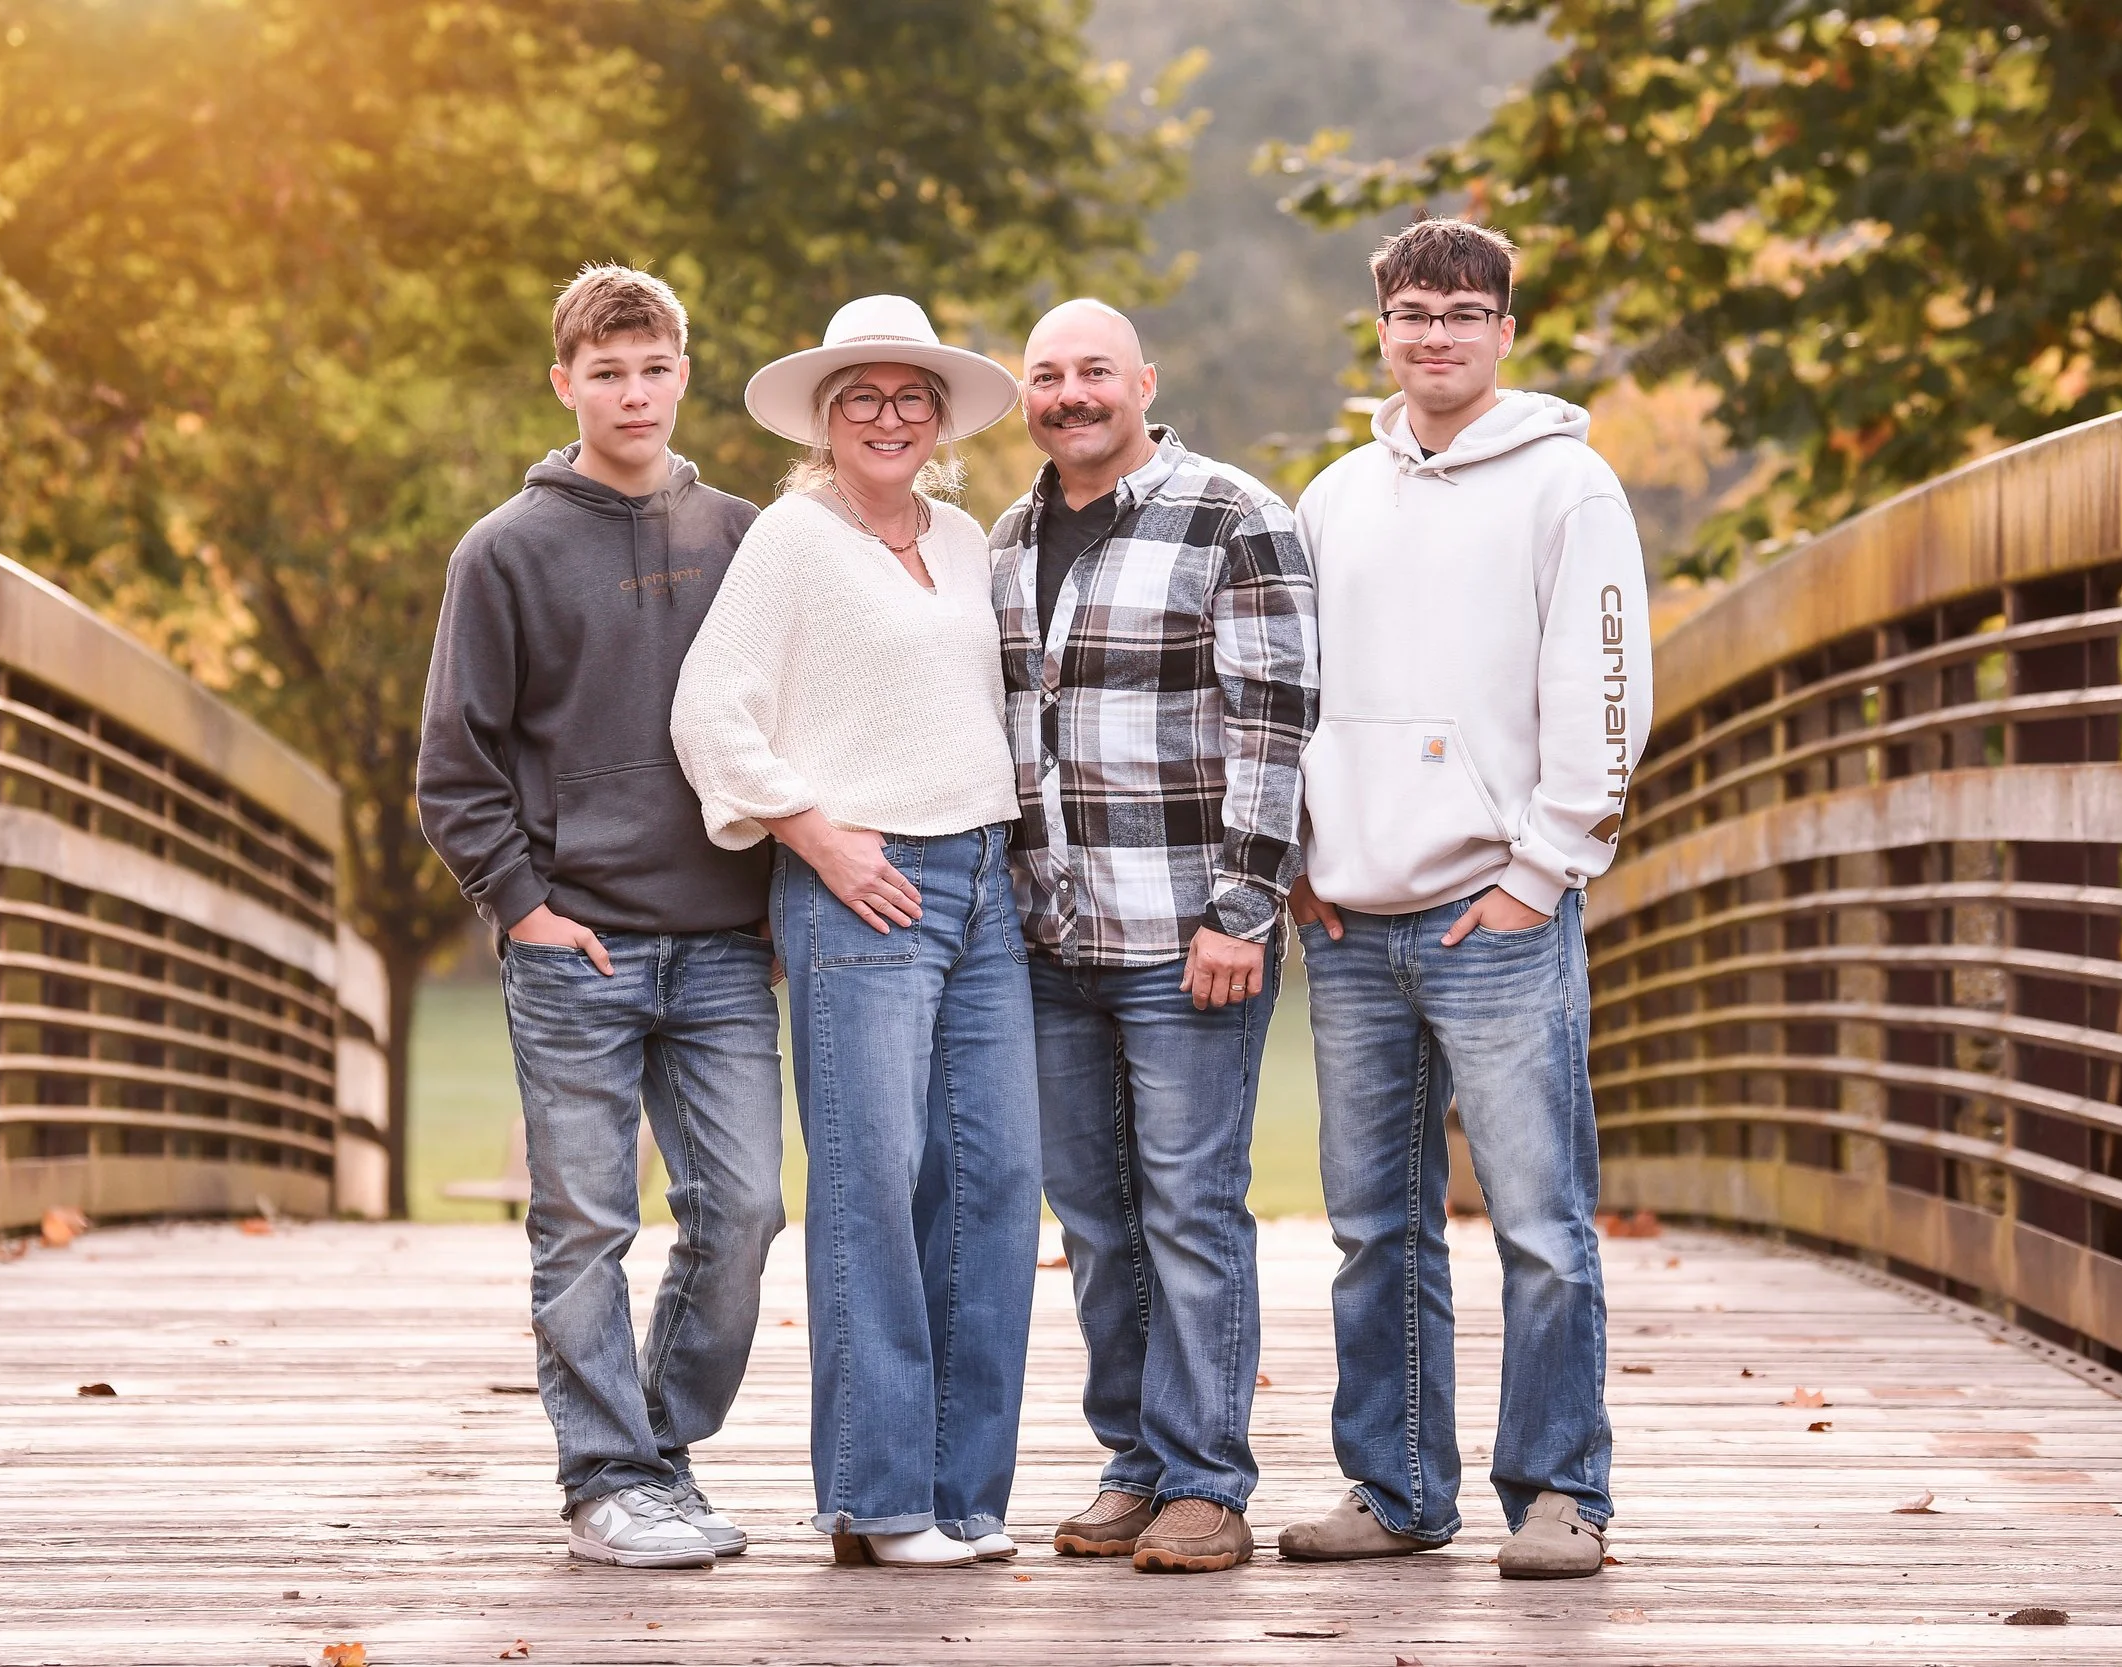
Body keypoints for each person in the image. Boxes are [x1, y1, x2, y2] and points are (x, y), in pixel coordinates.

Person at [1276, 217, 1651, 1580]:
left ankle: (1560, 1492)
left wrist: (1542, 869)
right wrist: (1302, 862)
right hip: (1357, 921)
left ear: (1505, 330)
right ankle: (1395, 1487)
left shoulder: (1570, 486)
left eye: (1462, 312)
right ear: (1380, 327)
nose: (1435, 334)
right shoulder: (1331, 496)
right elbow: (1292, 694)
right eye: (1412, 312)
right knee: (1375, 1226)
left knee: (1542, 1223)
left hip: (1500, 914)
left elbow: (1606, 696)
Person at [416, 265, 783, 1570]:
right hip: (580, 940)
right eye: (607, 370)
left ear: (685, 372)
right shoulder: (504, 551)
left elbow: (788, 722)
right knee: (586, 1221)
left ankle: (658, 1452)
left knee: (742, 1209)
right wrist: (521, 907)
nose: (634, 391)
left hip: (728, 940)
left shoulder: (745, 534)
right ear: (564, 381)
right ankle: (606, 1478)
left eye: (656, 366)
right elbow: (453, 763)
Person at [670, 294, 1040, 1570]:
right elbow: (711, 714)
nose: (889, 417)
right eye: (862, 398)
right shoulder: (790, 538)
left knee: (991, 1183)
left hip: (986, 883)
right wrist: (812, 832)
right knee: (872, 1187)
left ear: (939, 420)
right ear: (826, 420)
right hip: (862, 885)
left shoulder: (964, 535)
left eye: (911, 397)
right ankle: (879, 1500)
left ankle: (964, 1494)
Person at [987, 299, 1317, 1574]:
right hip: (1050, 938)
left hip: (1190, 933)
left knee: (1187, 1205)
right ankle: (1134, 1460)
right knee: (1098, 1216)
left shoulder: (1236, 516)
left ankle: (1207, 1482)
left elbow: (1275, 725)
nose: (1070, 394)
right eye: (1047, 375)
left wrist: (1242, 906)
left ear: (1144, 381)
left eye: (1094, 372)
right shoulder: (1009, 537)